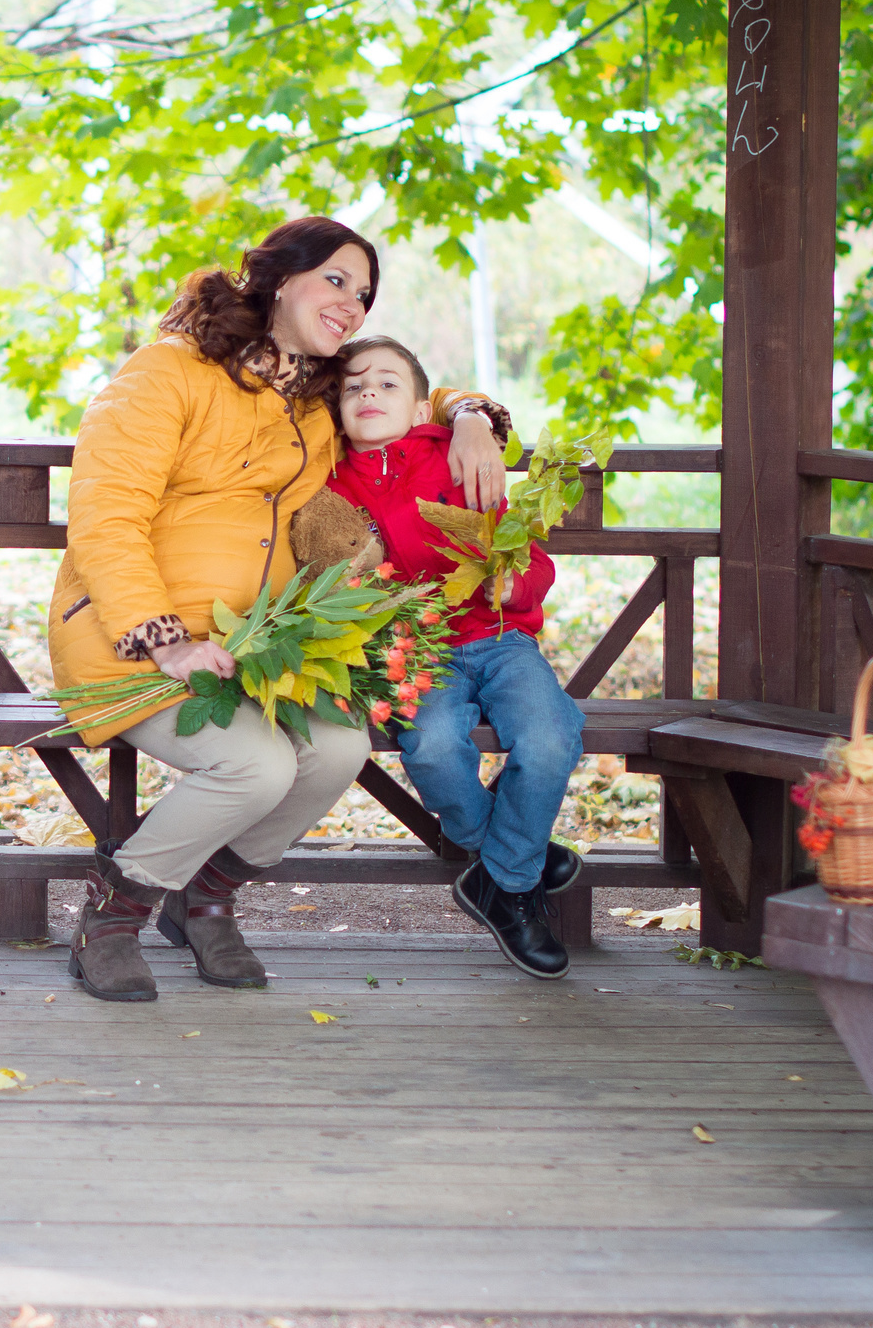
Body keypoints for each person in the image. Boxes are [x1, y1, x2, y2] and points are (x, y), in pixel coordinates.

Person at [46, 220, 507, 1001]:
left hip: (256, 646)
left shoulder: (316, 400)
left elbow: (412, 386)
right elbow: (106, 516)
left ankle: (206, 900)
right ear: (280, 279)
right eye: (336, 280)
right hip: (131, 639)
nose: (352, 304)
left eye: (363, 294)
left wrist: (469, 415)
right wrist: (166, 640)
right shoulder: (169, 372)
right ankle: (113, 915)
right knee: (254, 764)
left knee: (335, 747)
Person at [324, 334, 584, 980]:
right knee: (434, 746)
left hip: (499, 636)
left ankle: (503, 878)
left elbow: (530, 555)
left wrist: (513, 583)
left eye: (386, 383)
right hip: (420, 648)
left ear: (421, 409)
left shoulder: (459, 458)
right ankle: (508, 858)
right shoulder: (332, 483)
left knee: (551, 736)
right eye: (353, 386)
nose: (368, 393)